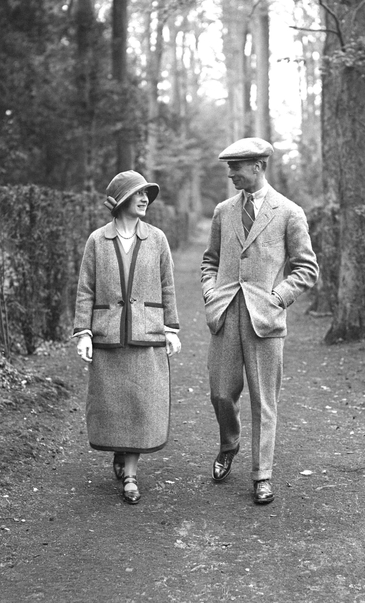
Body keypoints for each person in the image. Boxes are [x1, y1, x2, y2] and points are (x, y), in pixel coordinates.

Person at [201, 137, 319, 504]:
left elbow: (306, 268)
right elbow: (210, 259)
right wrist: (211, 290)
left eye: (237, 167)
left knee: (263, 401)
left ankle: (262, 474)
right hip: (226, 312)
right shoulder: (224, 211)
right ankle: (229, 444)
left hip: (265, 318)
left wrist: (278, 297)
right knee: (221, 393)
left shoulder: (288, 212)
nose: (231, 174)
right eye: (229, 167)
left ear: (258, 167)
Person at [72, 170, 181, 505]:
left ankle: (131, 475)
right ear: (121, 200)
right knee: (114, 407)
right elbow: (85, 289)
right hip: (109, 336)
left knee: (139, 406)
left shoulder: (158, 239)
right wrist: (83, 332)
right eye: (138, 194)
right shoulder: (96, 241)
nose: (145, 199)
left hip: (146, 333)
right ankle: (120, 454)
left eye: (147, 194)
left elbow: (167, 286)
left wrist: (171, 329)